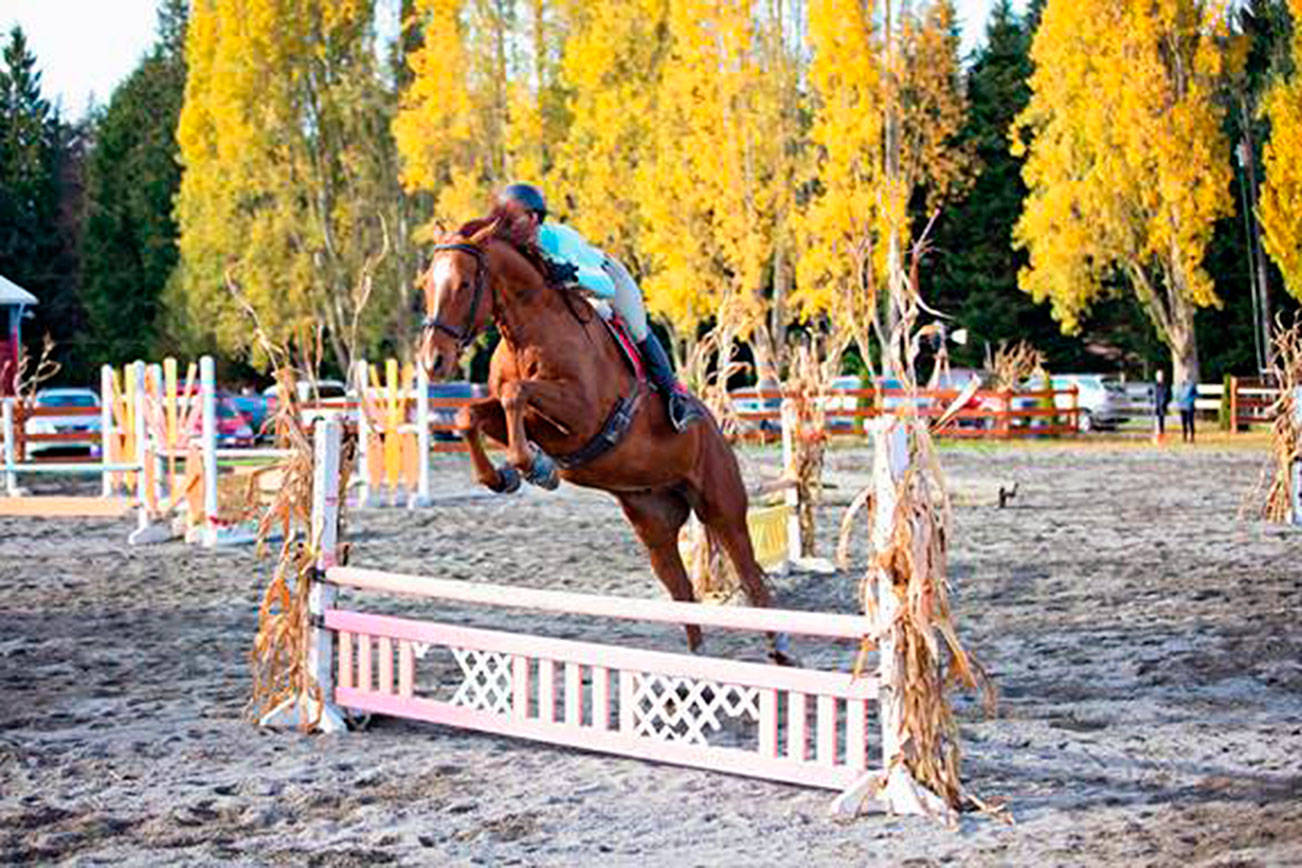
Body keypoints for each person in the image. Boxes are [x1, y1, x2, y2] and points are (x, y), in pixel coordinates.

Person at [496, 183, 705, 432]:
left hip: (605, 279)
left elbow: (605, 287)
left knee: (637, 330)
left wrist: (571, 272)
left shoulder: (560, 239)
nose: (507, 227)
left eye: (513, 220)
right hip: (567, 296)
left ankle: (675, 398)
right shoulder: (514, 248)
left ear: (533, 218)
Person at [1176, 376, 1197, 443]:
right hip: (1182, 406)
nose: (1184, 378)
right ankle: (1184, 437)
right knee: (1183, 423)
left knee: (1190, 422)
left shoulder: (1191, 386)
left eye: (1185, 377)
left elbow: (1196, 394)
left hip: (1189, 407)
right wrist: (1178, 400)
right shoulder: (1180, 386)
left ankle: (1192, 437)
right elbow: (1177, 395)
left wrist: (1191, 400)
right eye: (1183, 377)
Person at [1153, 369, 1170, 443]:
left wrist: (1164, 403)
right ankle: (1156, 438)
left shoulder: (1165, 386)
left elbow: (1168, 396)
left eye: (1161, 376)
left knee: (1161, 423)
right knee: (1156, 423)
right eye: (1158, 376)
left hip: (1162, 406)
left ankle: (1161, 438)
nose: (1160, 377)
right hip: (1155, 406)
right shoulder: (1154, 386)